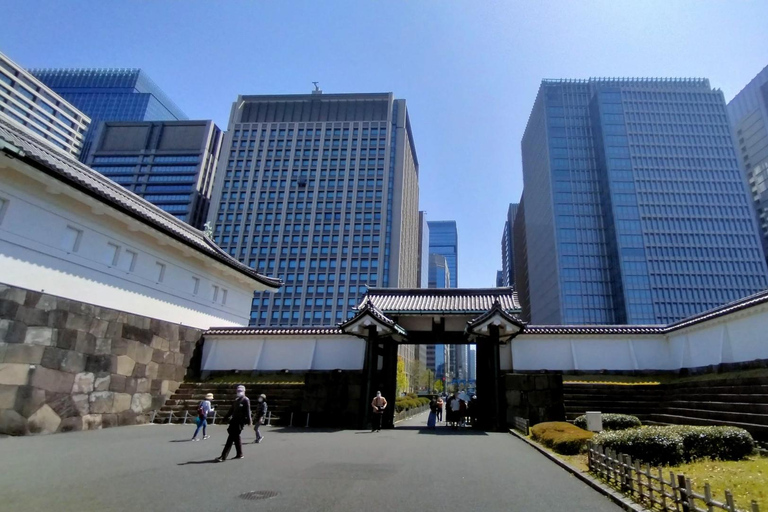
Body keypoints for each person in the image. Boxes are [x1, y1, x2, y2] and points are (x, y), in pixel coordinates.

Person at [215, 385, 251, 462]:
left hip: (240, 422)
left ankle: (223, 456)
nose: (239, 392)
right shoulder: (236, 400)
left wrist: (249, 421)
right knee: (236, 438)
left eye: (241, 391)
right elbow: (231, 411)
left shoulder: (246, 400)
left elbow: (248, 412)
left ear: (244, 391)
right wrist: (224, 419)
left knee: (230, 438)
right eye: (238, 391)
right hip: (234, 421)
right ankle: (240, 454)